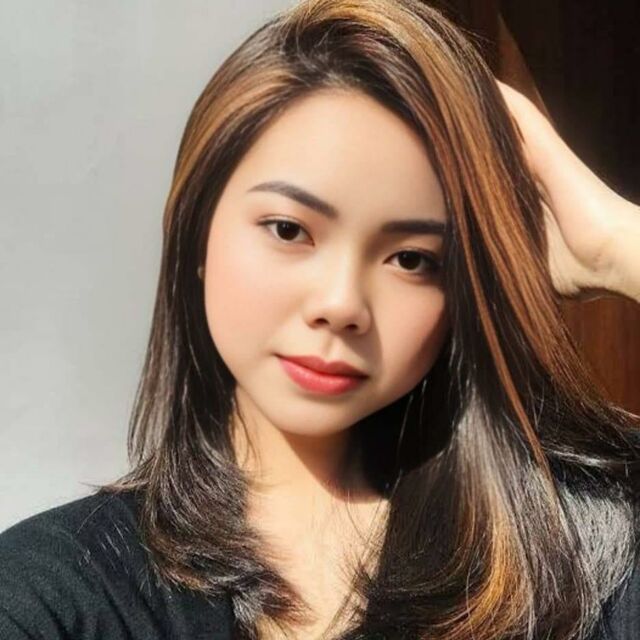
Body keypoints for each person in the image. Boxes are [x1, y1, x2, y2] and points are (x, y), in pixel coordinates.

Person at [1, 0, 639, 638]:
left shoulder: (583, 557)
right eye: (289, 229)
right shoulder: (55, 592)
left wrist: (614, 246)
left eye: (412, 259)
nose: (340, 305)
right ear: (196, 231)